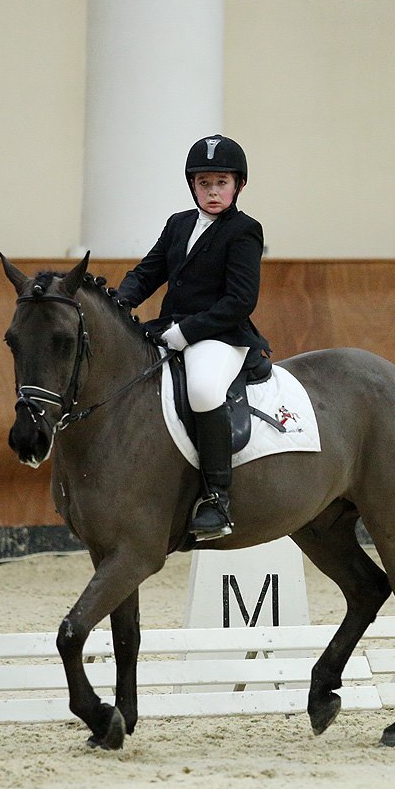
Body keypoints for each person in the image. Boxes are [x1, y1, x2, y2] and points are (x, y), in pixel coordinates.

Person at [116, 134, 270, 540]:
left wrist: (187, 332)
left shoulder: (245, 231)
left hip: (220, 335)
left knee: (202, 389)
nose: (213, 191)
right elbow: (147, 274)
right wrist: (116, 303)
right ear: (192, 185)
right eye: (205, 183)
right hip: (171, 329)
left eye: (221, 183)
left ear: (238, 185)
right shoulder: (179, 224)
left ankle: (217, 498)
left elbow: (240, 300)